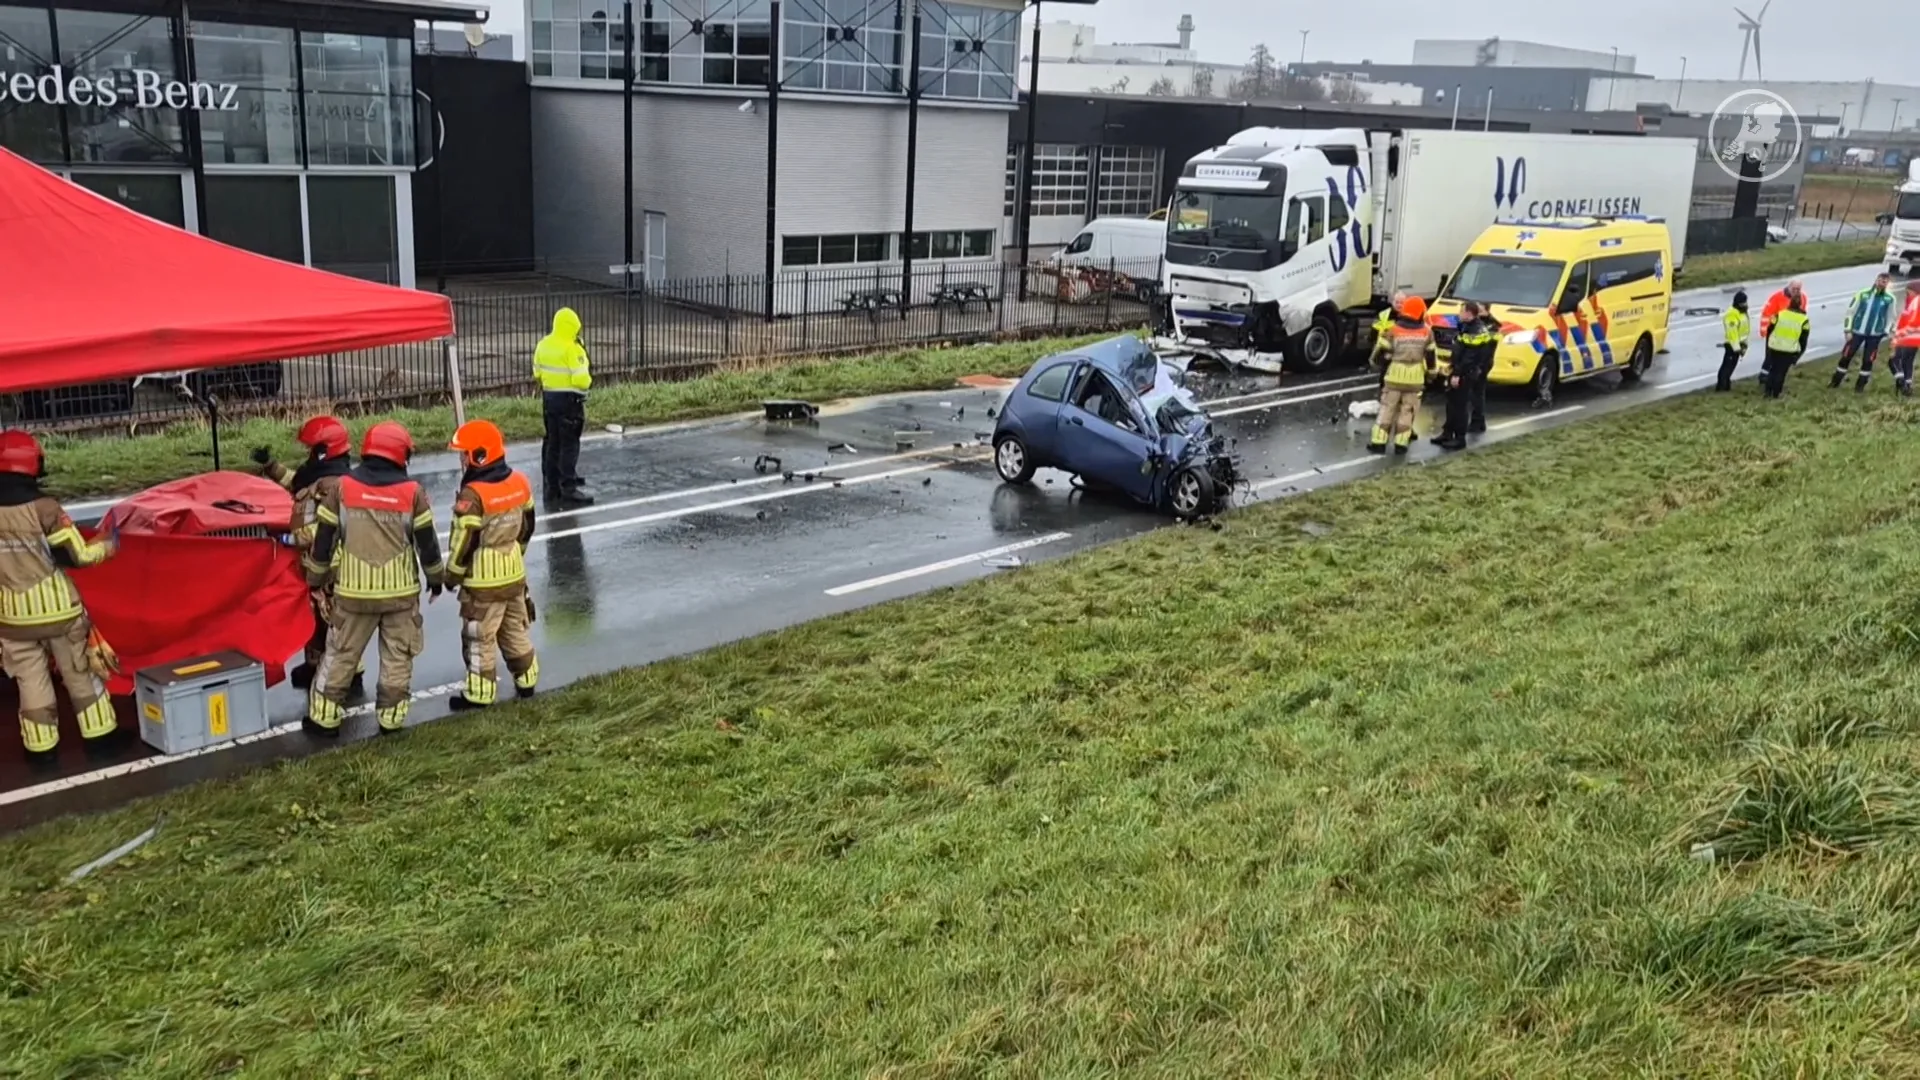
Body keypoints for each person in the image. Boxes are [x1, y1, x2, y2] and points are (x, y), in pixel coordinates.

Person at [302, 421, 445, 737]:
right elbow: (428, 544)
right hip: (400, 595)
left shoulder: (341, 488)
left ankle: (324, 720)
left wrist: (315, 579)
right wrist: (437, 580)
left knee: (340, 655)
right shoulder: (413, 494)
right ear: (400, 455)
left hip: (352, 594)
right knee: (397, 657)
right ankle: (391, 720)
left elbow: (324, 541)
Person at [0, 431, 119, 758]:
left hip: (11, 618)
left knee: (30, 682)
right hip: (59, 613)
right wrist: (109, 546)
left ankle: (41, 752)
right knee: (80, 674)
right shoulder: (45, 508)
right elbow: (76, 555)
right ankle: (100, 741)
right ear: (34, 463)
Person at [252, 415, 360, 692]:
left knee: (336, 622)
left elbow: (326, 529)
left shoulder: (336, 486)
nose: (308, 454)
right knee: (313, 618)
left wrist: (290, 539)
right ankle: (315, 665)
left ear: (325, 450)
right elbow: (298, 485)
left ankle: (349, 675)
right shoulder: (317, 476)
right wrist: (270, 466)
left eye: (312, 449)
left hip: (332, 567)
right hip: (314, 564)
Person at [444, 420, 540, 711]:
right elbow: (528, 527)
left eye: (465, 454)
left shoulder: (472, 495)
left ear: (479, 455)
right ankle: (527, 679)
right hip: (513, 574)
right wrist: (515, 555)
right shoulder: (520, 482)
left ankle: (480, 694)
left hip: (482, 582)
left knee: (479, 638)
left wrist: (453, 575)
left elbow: (464, 541)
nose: (462, 460)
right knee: (514, 629)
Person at [533, 306, 594, 508]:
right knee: (569, 444)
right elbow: (581, 380)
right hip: (570, 401)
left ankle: (552, 483)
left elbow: (537, 373)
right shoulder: (572, 348)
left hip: (549, 399)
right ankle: (568, 486)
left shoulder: (543, 344)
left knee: (553, 442)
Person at [1369, 295, 1435, 455]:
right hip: (1415, 378)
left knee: (1387, 409)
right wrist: (1431, 375)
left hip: (1394, 377)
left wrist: (1378, 364)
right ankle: (1401, 444)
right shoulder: (1427, 332)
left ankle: (1379, 442)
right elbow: (1431, 356)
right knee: (1407, 411)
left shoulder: (1393, 330)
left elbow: (1378, 354)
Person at [1436, 300, 1496, 450]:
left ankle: (1459, 438)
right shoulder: (1468, 327)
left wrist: (1457, 374)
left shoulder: (1474, 331)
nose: (1459, 313)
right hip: (1461, 370)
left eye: (1462, 311)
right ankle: (1447, 432)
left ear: (1469, 313)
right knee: (1451, 403)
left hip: (1465, 373)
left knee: (1459, 404)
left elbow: (1469, 357)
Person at [1830, 273, 1898, 391]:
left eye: (1885, 281)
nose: (1882, 282)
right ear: (1876, 280)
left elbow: (1891, 317)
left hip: (1875, 335)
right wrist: (1848, 330)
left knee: (1868, 360)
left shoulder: (1890, 298)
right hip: (1857, 332)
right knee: (1846, 356)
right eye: (1881, 280)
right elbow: (1850, 312)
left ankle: (1860, 386)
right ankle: (1835, 382)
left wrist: (1886, 331)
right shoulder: (1863, 294)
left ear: (1888, 283)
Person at [1760, 294, 1811, 399]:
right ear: (1800, 305)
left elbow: (1770, 328)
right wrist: (1798, 355)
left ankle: (1767, 392)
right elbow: (1803, 339)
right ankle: (1776, 394)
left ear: (1790, 303)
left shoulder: (1779, 314)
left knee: (1773, 370)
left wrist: (1770, 343)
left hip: (1774, 347)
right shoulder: (1804, 320)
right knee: (1781, 372)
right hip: (1789, 350)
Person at [1715, 290, 1751, 392]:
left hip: (1739, 345)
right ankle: (1722, 387)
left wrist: (1744, 344)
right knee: (1727, 367)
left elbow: (1744, 330)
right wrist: (1737, 348)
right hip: (1732, 345)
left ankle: (1726, 384)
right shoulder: (1732, 314)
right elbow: (1732, 333)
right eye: (1743, 302)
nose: (1745, 304)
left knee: (1730, 367)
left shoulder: (1742, 312)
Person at [1890, 281, 1920, 398]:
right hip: (1913, 337)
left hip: (1909, 336)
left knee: (1894, 359)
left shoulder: (1916, 301)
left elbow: (1912, 321)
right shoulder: (1911, 302)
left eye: (1908, 290)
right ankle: (1907, 385)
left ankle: (1901, 383)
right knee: (1907, 361)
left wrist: (1898, 335)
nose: (1907, 293)